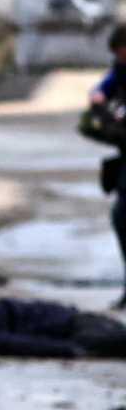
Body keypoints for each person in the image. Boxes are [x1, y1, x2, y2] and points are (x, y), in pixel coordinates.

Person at [84, 24, 126, 307]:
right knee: (122, 218)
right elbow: (102, 89)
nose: (120, 58)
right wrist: (99, 100)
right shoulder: (120, 72)